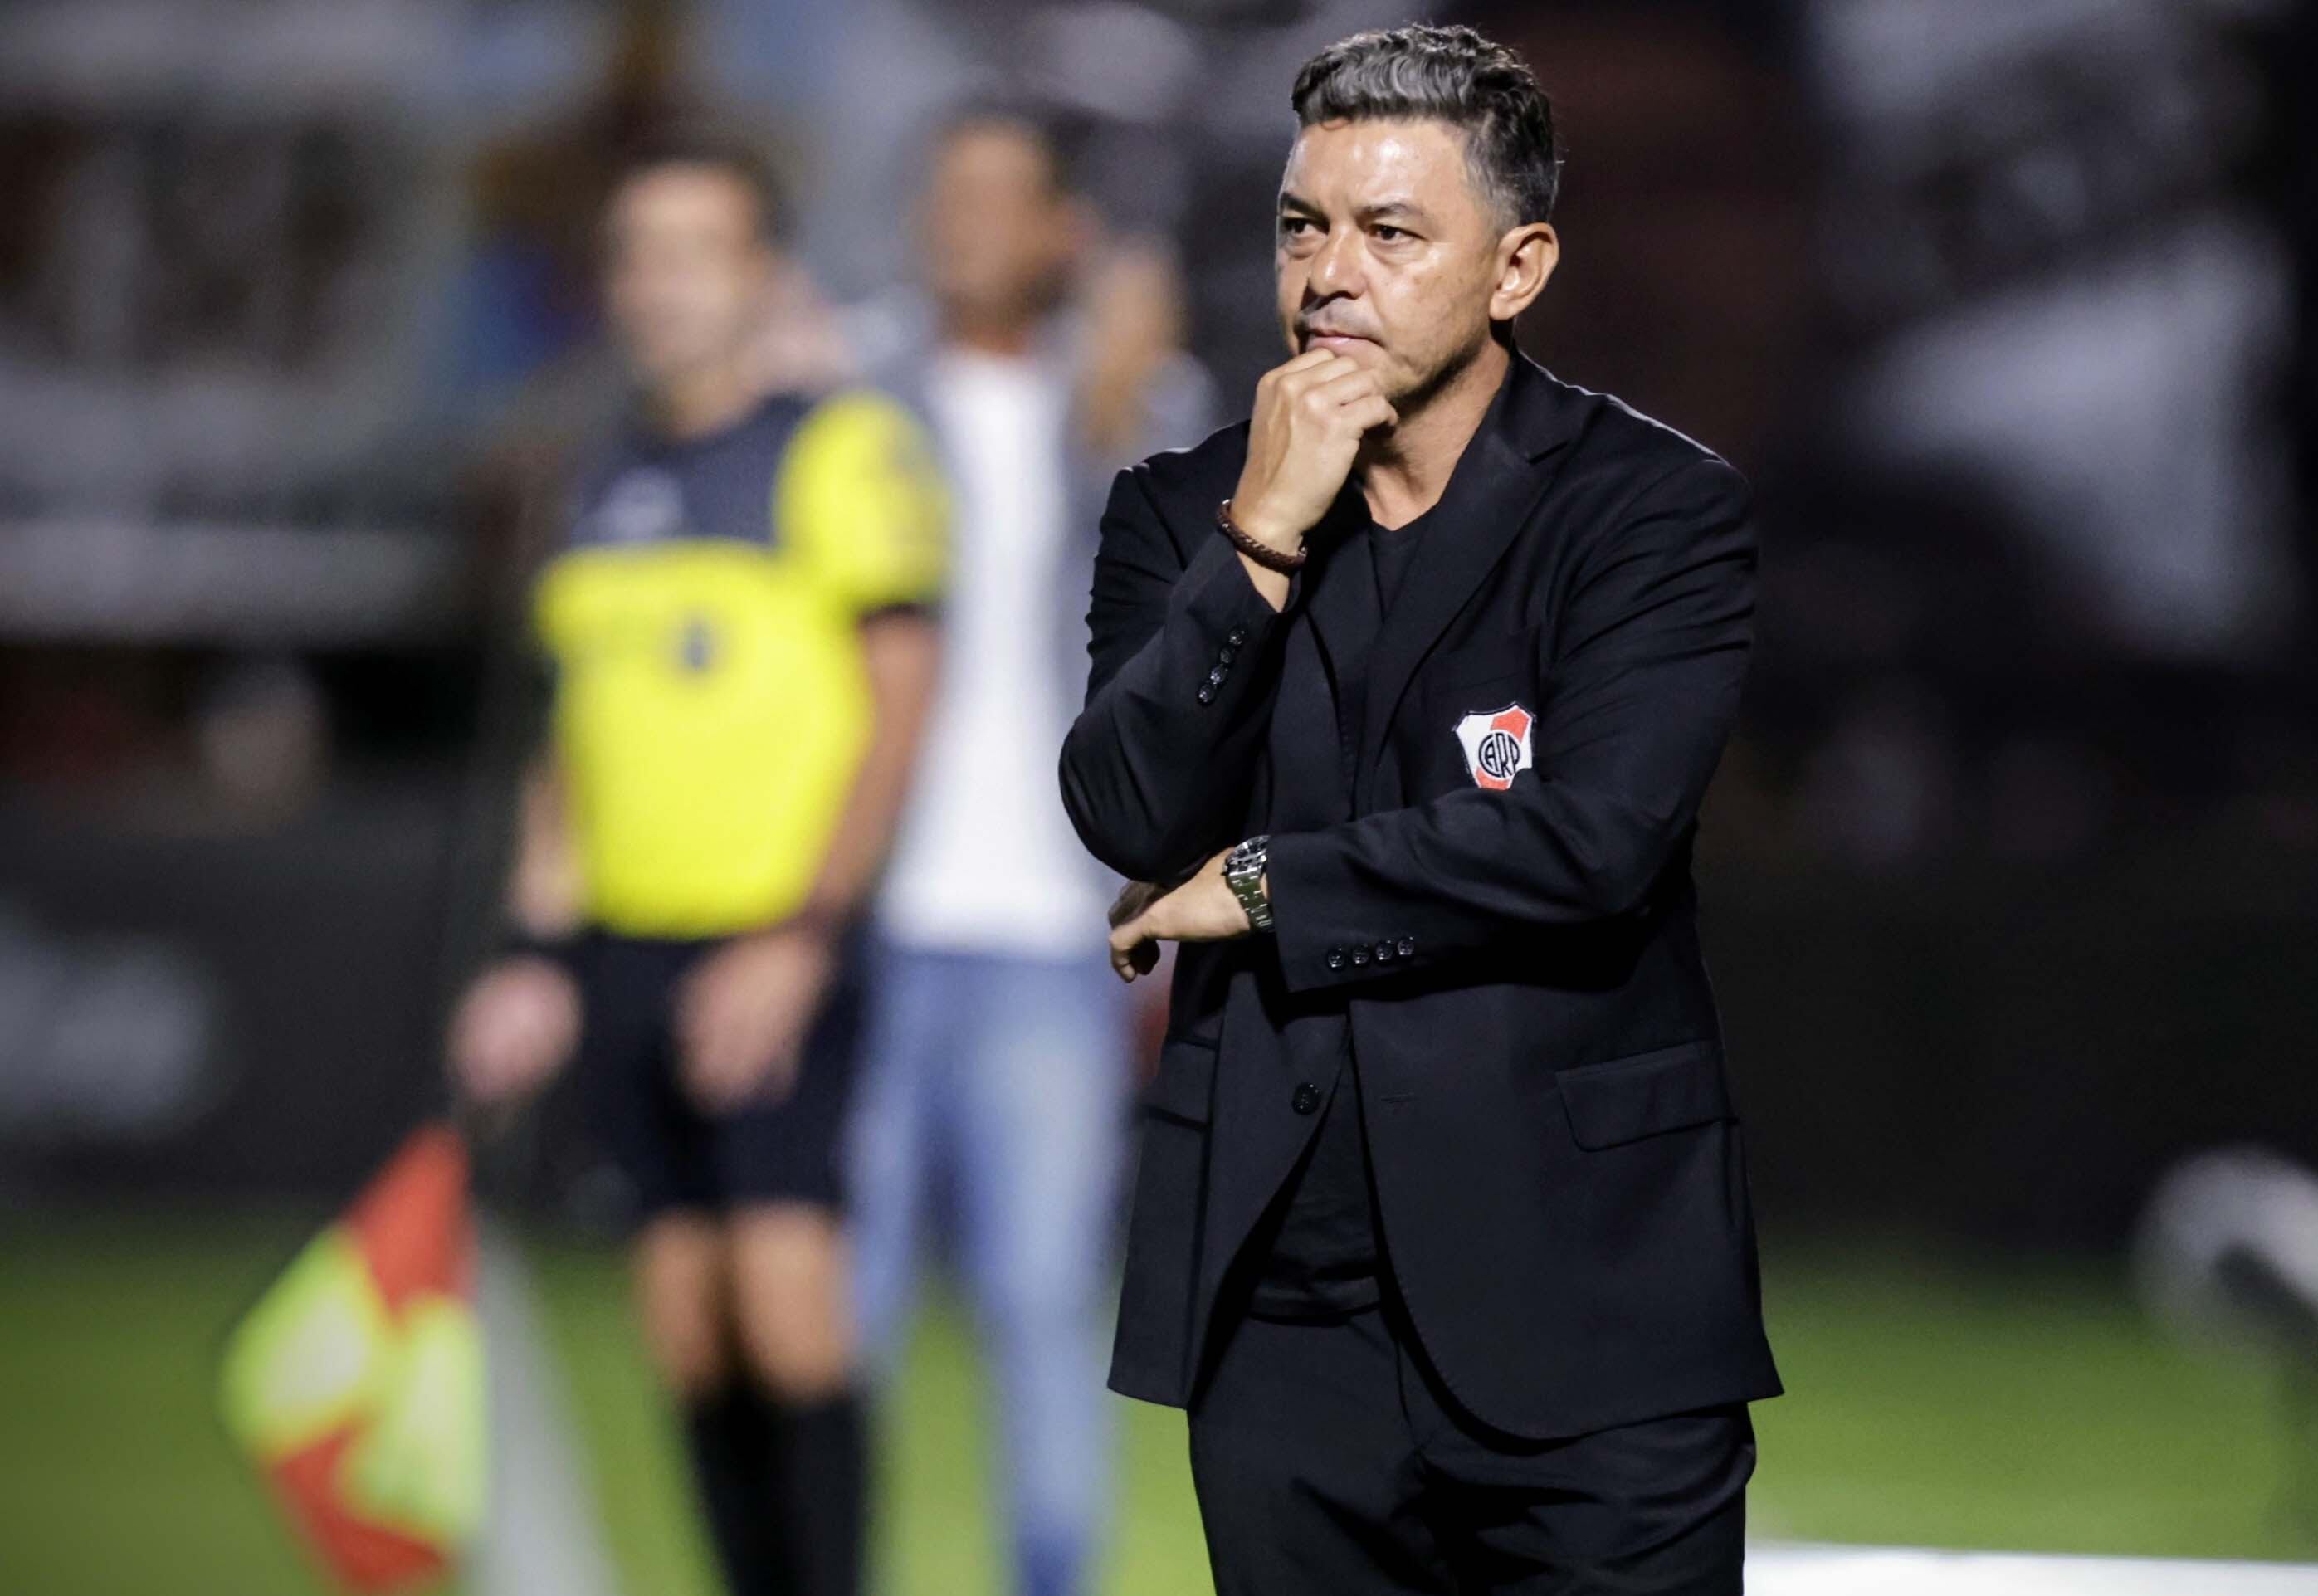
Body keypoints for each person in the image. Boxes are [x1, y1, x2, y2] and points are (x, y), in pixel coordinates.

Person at [1058, 25, 1781, 1595]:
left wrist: (1258, 884)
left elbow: (1589, 843)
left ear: (1516, 270)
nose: (1330, 272)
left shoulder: (1648, 511)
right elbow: (1122, 809)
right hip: (1282, 1314)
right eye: (1300, 227)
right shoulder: (1183, 510)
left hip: (1591, 1305)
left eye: (1390, 233)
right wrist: (1260, 536)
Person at [446, 128, 945, 1596]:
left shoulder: (840, 449)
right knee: (680, 1318)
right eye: (634, 256)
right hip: (622, 950)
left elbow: (901, 702)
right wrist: (533, 957)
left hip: (774, 940)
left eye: (692, 252)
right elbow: (568, 753)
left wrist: (801, 938)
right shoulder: (599, 481)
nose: (657, 285)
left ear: (764, 273)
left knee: (786, 1306)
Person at [842, 103, 1212, 1596]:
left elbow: (1214, 635)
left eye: (1001, 199)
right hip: (863, 925)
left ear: (1067, 230)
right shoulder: (852, 389)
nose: (964, 225)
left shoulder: (1143, 399)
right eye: (947, 195)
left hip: (1052, 939)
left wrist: (1116, 413)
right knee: (833, 1321)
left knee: (1043, 1307)